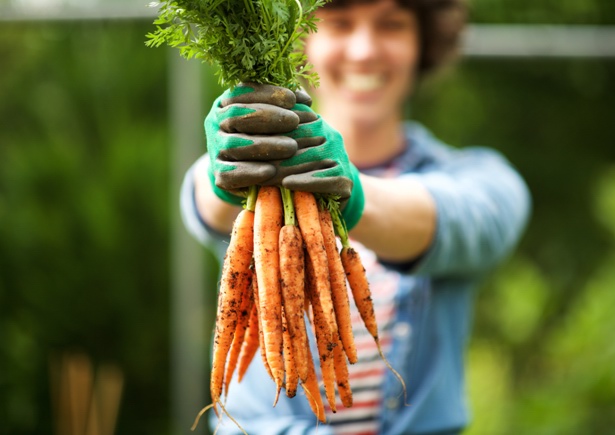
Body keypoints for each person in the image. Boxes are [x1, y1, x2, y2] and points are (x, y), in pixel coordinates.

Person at [180, 0, 531, 433]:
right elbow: (202, 201)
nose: (364, 49)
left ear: (424, 41)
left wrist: (353, 193)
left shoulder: (480, 178)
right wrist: (226, 170)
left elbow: (464, 220)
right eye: (340, 23)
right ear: (299, 39)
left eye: (391, 25)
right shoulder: (254, 176)